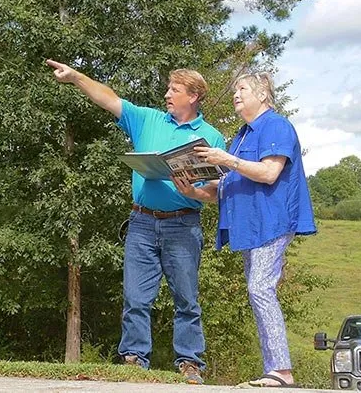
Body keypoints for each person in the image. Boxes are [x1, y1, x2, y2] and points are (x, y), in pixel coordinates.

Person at [46, 59, 226, 385]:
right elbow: (107, 98)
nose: (168, 94)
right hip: (141, 223)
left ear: (194, 96)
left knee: (186, 298)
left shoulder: (212, 138)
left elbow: (217, 190)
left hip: (183, 226)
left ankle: (190, 364)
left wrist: (196, 193)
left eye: (175, 90)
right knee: (135, 298)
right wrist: (75, 78)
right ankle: (133, 360)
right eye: (168, 88)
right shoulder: (147, 119)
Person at [172, 71, 316, 388]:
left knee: (260, 289)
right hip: (249, 227)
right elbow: (223, 186)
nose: (236, 94)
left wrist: (226, 158)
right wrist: (191, 190)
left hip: (272, 222)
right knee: (257, 291)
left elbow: (268, 173)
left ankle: (281, 370)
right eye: (236, 90)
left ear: (263, 95)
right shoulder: (242, 136)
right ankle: (275, 369)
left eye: (242, 89)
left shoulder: (276, 125)